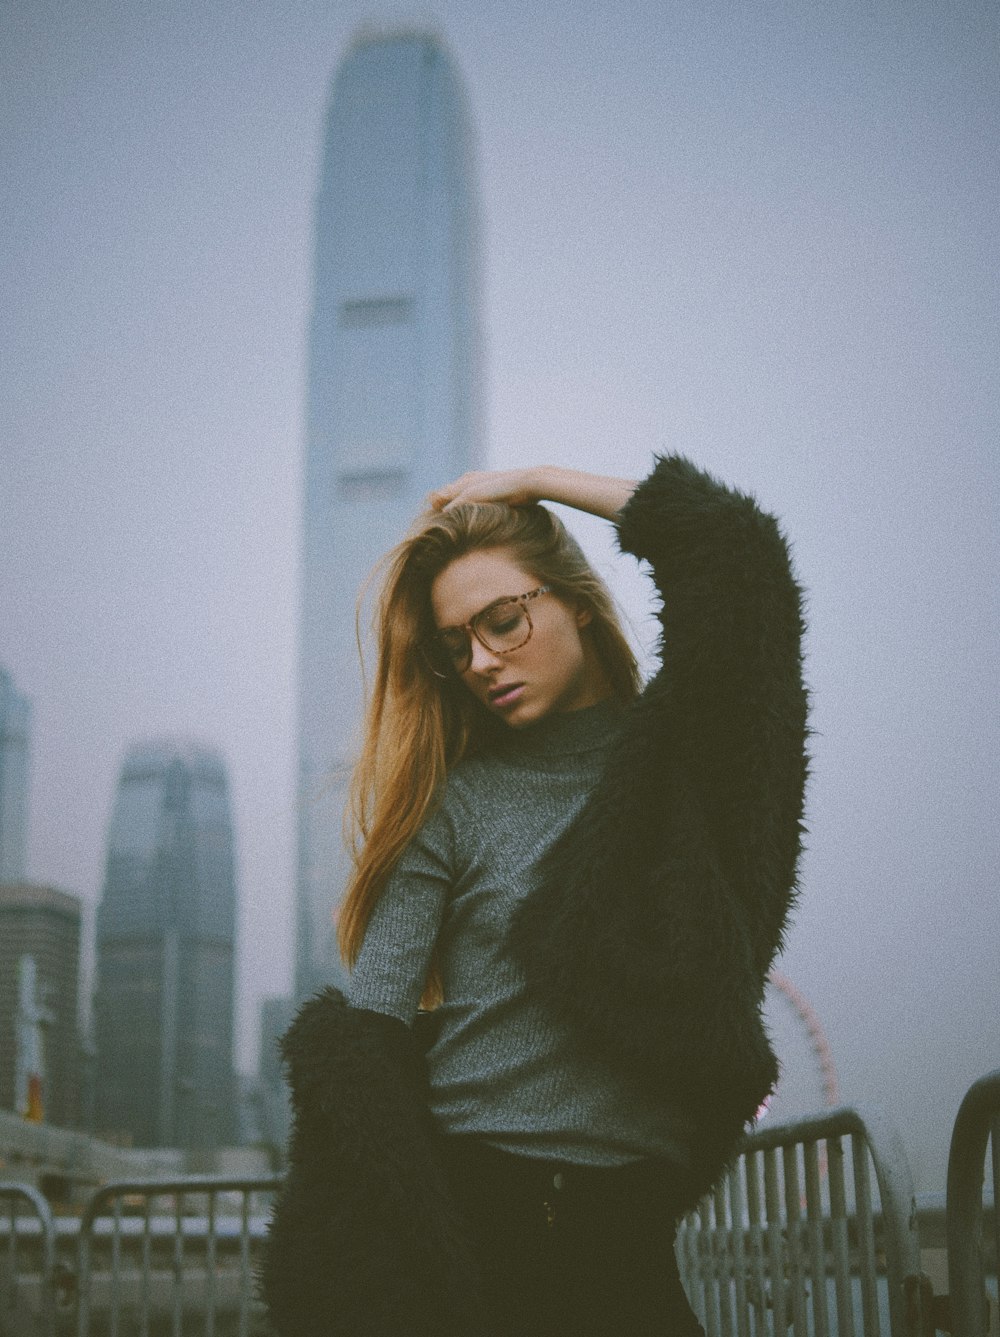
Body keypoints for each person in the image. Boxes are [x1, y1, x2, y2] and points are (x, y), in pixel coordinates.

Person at [260, 456, 808, 1337]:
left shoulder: (682, 771)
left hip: (629, 1247)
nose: (480, 660)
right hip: (478, 1239)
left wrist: (539, 480)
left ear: (576, 601)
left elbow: (739, 563)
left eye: (503, 619)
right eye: (455, 644)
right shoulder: (455, 802)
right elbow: (371, 1041)